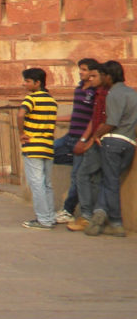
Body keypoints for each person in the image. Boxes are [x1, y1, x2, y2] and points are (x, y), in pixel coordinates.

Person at [81, 60, 137, 237]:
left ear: (109, 76)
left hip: (113, 141)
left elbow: (111, 122)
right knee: (111, 180)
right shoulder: (132, 93)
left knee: (110, 181)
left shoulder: (113, 94)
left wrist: (96, 135)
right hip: (129, 142)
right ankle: (100, 210)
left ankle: (115, 222)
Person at [53, 58, 98, 224]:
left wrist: (85, 139)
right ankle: (74, 160)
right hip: (69, 136)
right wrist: (54, 119)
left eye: (85, 69)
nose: (81, 72)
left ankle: (68, 210)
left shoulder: (95, 92)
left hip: (81, 138)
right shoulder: (79, 89)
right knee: (45, 153)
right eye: (81, 69)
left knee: (76, 176)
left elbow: (94, 118)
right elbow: (76, 114)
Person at [69, 63, 110, 232]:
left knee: (83, 175)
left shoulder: (105, 95)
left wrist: (90, 139)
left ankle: (86, 215)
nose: (89, 79)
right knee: (93, 178)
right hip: (94, 139)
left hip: (101, 141)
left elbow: (105, 120)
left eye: (93, 76)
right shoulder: (98, 94)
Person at [18, 67, 58, 229]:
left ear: (37, 83)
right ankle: (49, 216)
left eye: (28, 81)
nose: (25, 84)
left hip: (33, 145)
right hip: (47, 145)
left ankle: (43, 219)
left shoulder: (31, 99)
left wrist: (21, 133)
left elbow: (21, 115)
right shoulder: (52, 101)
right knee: (47, 183)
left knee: (37, 183)